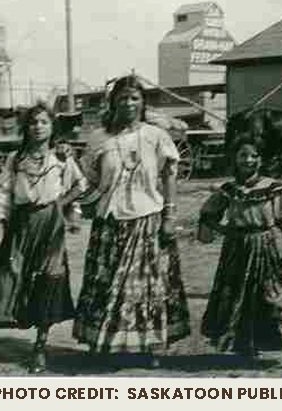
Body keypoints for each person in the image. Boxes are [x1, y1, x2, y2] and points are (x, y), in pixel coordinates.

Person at [0, 102, 87, 374]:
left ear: (52, 127)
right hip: (21, 226)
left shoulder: (61, 158)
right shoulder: (15, 160)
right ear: (26, 128)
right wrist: (8, 232)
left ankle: (39, 349)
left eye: (44, 122)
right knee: (7, 280)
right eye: (33, 123)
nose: (38, 127)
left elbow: (80, 184)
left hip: (50, 227)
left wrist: (60, 205)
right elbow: (4, 197)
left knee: (47, 281)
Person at [73, 75, 190, 360]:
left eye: (134, 98)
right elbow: (86, 178)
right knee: (106, 284)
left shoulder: (156, 136)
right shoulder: (100, 138)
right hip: (110, 222)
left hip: (147, 219)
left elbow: (169, 175)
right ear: (114, 102)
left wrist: (169, 216)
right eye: (123, 97)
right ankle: (100, 344)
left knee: (148, 288)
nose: (128, 103)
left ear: (142, 102)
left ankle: (148, 346)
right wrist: (74, 206)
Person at [197, 139, 282, 372]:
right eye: (243, 156)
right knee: (239, 299)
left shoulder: (272, 188)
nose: (248, 160)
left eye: (253, 155)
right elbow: (208, 214)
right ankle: (246, 349)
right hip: (236, 251)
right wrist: (226, 231)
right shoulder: (229, 189)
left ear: (261, 159)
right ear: (235, 159)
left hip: (264, 248)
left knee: (274, 300)